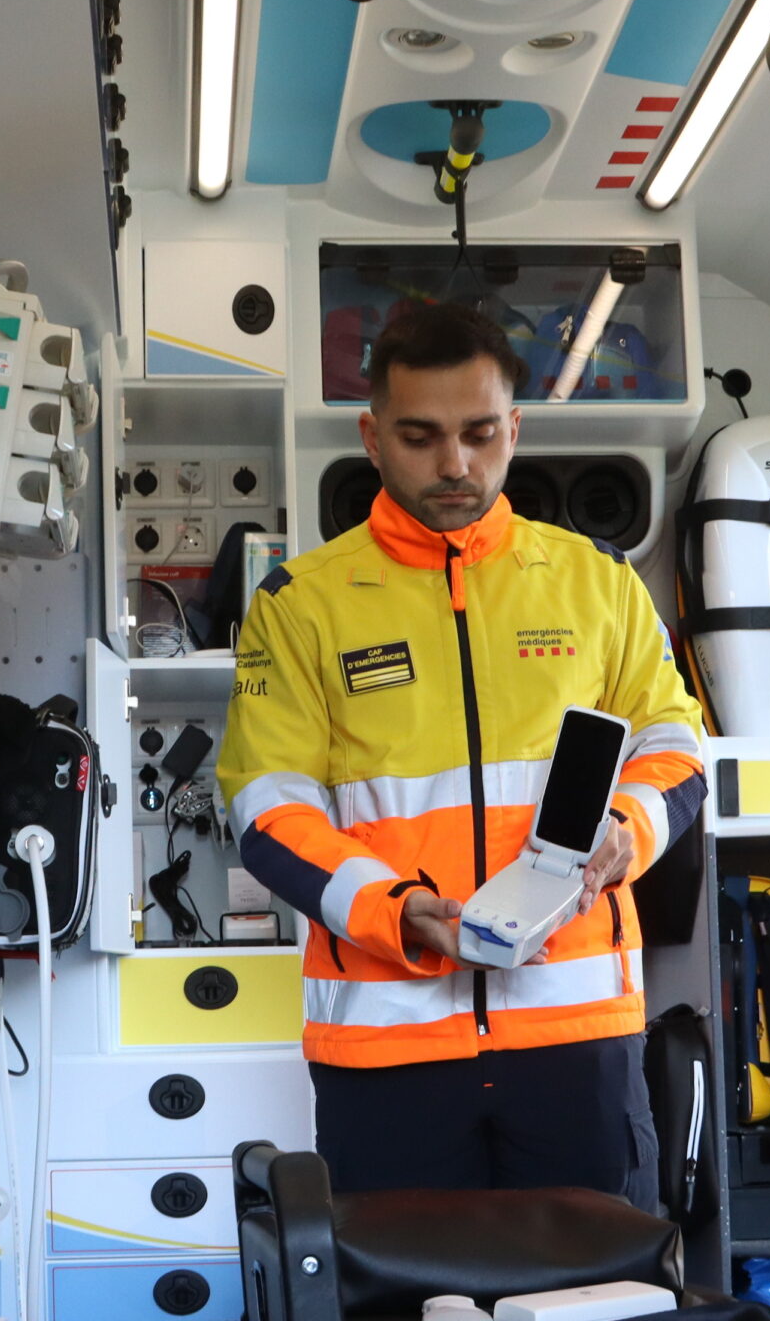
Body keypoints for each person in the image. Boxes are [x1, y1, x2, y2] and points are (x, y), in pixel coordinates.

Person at [218, 301, 706, 1208]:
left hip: (575, 1032)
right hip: (389, 1042)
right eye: (420, 436)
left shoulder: (600, 583)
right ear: (372, 438)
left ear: (513, 430)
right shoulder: (299, 605)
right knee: (403, 1298)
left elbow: (675, 747)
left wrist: (625, 830)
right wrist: (398, 913)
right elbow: (268, 808)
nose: (454, 463)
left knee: (605, 1289)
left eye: (480, 433)